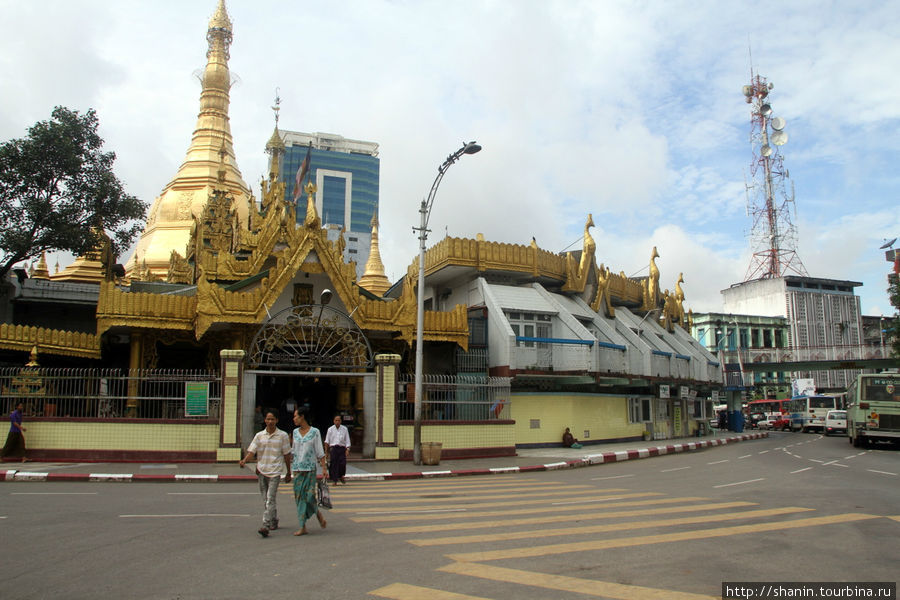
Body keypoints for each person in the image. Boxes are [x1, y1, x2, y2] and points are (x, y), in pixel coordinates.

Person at [239, 409, 291, 538]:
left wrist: (289, 472)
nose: (270, 421)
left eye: (272, 419)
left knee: (270, 498)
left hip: (275, 471)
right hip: (262, 470)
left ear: (277, 420)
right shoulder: (259, 436)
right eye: (268, 419)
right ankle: (273, 520)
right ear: (265, 420)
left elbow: (287, 455)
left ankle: (266, 525)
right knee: (266, 499)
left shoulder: (283, 436)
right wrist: (245, 460)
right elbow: (252, 451)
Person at [290, 406, 327, 536]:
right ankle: (302, 526)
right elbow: (293, 451)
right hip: (297, 469)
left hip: (310, 469)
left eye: (296, 416)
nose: (294, 418)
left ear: (302, 417)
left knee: (310, 496)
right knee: (300, 498)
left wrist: (323, 468)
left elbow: (319, 451)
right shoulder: (294, 433)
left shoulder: (315, 432)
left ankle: (318, 515)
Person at [324, 415, 351, 485]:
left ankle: (341, 476)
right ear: (333, 421)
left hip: (342, 449)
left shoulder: (344, 429)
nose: (337, 422)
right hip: (333, 449)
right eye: (336, 420)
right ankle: (335, 480)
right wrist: (326, 452)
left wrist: (347, 449)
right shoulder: (330, 429)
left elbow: (347, 440)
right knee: (334, 464)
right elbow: (327, 441)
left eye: (339, 420)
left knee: (342, 464)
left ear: (341, 421)